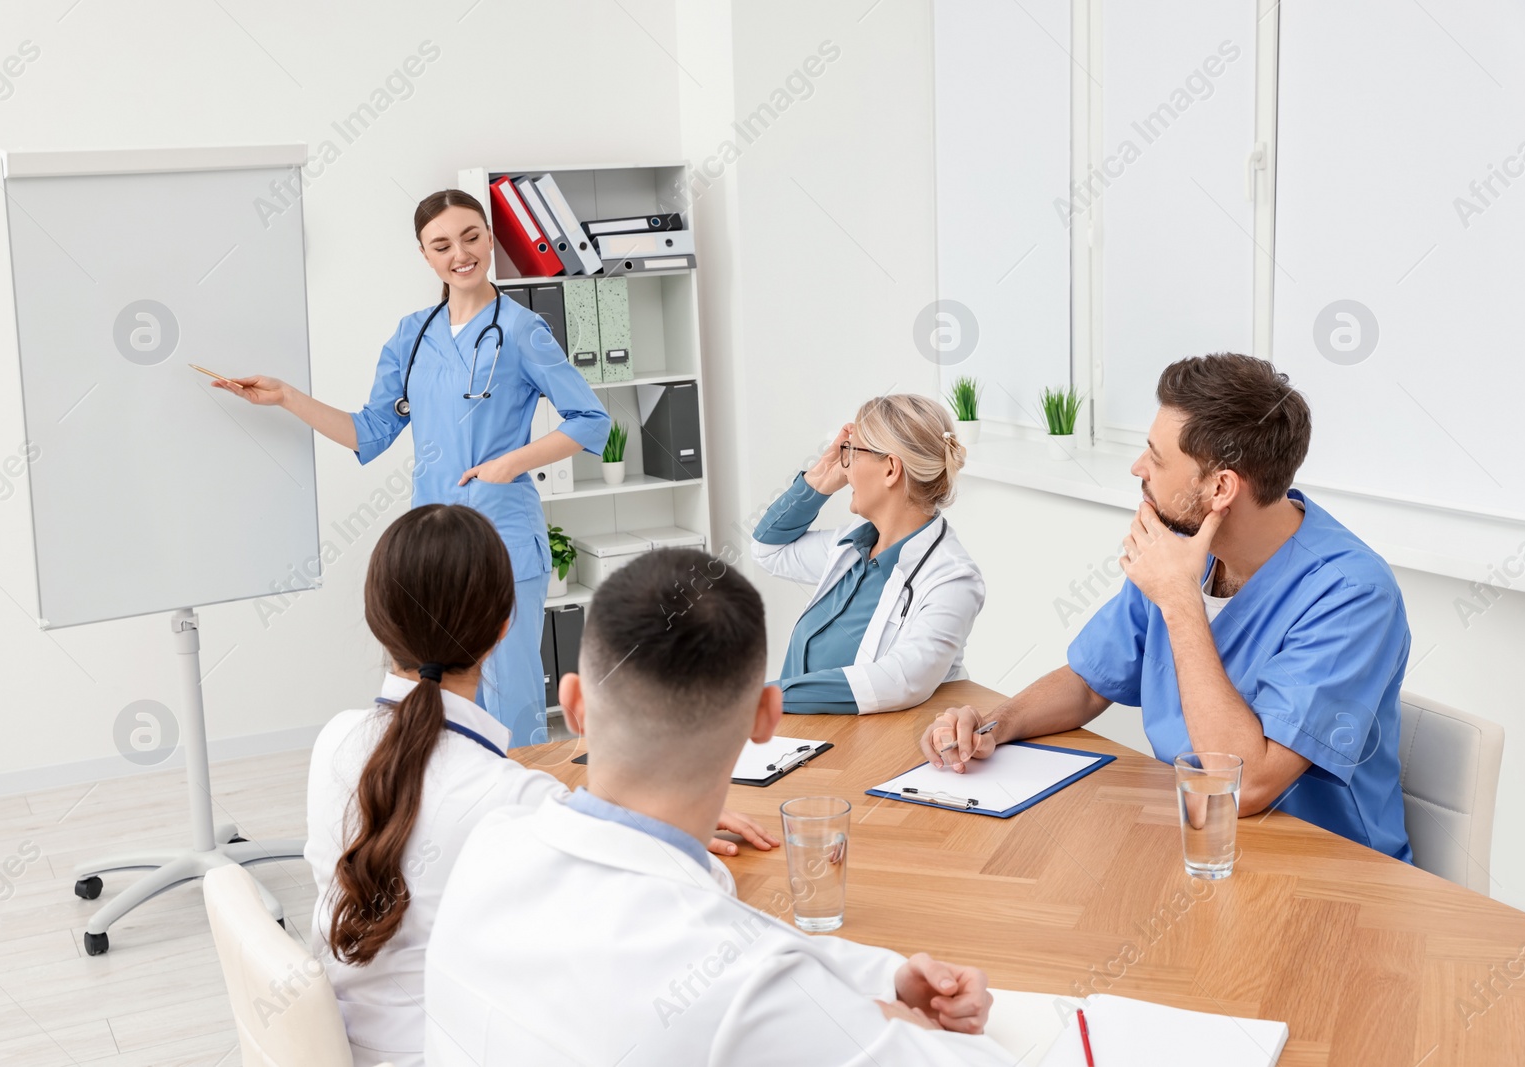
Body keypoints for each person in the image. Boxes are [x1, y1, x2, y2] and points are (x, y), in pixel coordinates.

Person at [423, 548, 1014, 1066]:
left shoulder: (491, 843)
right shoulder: (742, 984)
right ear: (767, 716)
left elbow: (745, 945)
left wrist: (883, 976)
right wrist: (897, 1019)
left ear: (573, 703)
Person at [304, 506, 779, 1067]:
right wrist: (667, 817)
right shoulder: (514, 802)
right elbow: (685, 903)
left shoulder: (333, 742)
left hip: (344, 1042)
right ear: (505, 626)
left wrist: (617, 819)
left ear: (376, 619)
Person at [920, 354, 1412, 861]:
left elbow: (1247, 783)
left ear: (1220, 488)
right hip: (1194, 843)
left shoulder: (1352, 593)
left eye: (1155, 458)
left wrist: (1179, 599)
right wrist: (993, 727)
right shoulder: (1186, 545)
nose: (1138, 468)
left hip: (1324, 874)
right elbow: (1091, 681)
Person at [215, 188, 608, 744]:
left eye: (471, 237)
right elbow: (370, 432)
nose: (460, 254)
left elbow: (591, 419)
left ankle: (518, 807)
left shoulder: (522, 331)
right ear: (425, 256)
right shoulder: (412, 334)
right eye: (442, 244)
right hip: (433, 541)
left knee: (507, 688)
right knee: (432, 683)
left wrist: (509, 463)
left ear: (489, 239)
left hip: (503, 534)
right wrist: (286, 398)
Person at [751, 394, 985, 714]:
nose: (845, 468)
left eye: (851, 452)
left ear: (890, 469)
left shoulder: (952, 580)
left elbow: (899, 681)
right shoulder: (853, 545)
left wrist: (760, 698)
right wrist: (819, 478)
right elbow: (768, 549)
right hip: (796, 732)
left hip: (867, 749)